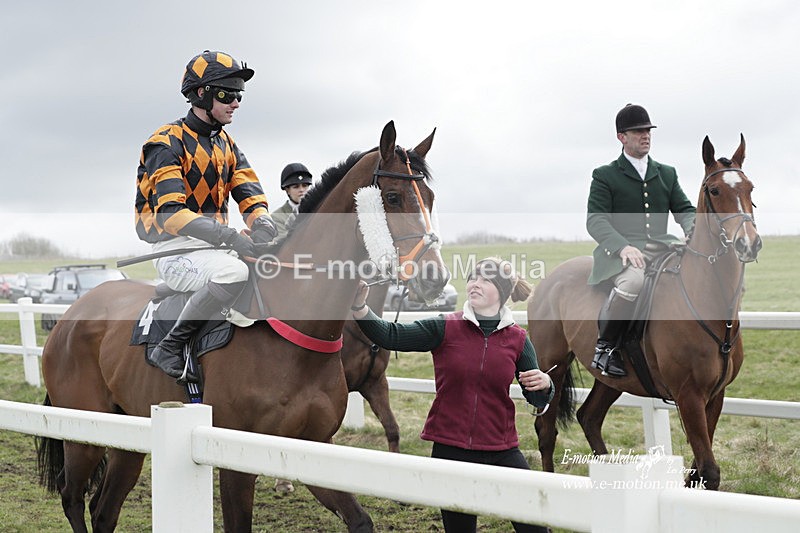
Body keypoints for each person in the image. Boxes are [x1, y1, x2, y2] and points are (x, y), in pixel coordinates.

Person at [351, 257, 553, 533]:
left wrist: (545, 384)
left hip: (502, 449)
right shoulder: (445, 327)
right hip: (450, 448)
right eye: (473, 277)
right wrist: (360, 308)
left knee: (534, 529)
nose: (475, 283)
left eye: (485, 279)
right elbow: (391, 335)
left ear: (502, 291)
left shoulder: (518, 339)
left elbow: (537, 399)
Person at [134, 50, 277, 382]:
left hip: (213, 246)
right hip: (175, 247)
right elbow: (171, 214)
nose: (236, 102)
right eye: (228, 94)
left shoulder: (225, 143)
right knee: (232, 274)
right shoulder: (165, 142)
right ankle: (169, 347)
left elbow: (249, 191)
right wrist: (227, 236)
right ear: (201, 94)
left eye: (239, 95)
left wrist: (263, 225)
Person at [587, 103, 696, 377]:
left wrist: (693, 228)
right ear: (621, 137)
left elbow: (684, 209)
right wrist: (623, 246)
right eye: (638, 131)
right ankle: (605, 347)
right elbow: (596, 220)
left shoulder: (666, 172)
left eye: (648, 131)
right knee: (633, 281)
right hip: (621, 252)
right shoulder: (605, 175)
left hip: (663, 246)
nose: (645, 135)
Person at [271, 162, 313, 240]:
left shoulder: (318, 211)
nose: (301, 190)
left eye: (305, 186)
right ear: (287, 190)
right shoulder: (276, 217)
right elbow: (282, 243)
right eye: (296, 187)